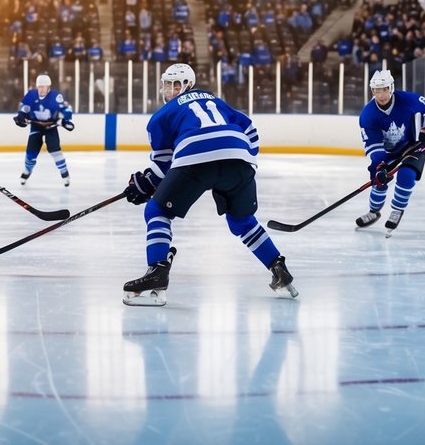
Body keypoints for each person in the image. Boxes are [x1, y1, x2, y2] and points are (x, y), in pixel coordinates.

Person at [121, 63, 297, 306]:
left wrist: (143, 183)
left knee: (156, 210)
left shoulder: (161, 115)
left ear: (187, 86)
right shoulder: (217, 101)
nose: (169, 90)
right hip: (238, 156)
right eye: (167, 84)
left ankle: (157, 271)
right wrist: (245, 159)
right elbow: (250, 130)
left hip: (196, 156)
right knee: (242, 221)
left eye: (174, 85)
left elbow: (162, 165)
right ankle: (278, 267)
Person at [354, 71, 425, 236]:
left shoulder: (408, 100)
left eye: (384, 89)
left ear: (391, 87)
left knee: (406, 175)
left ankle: (397, 210)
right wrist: (380, 166)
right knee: (378, 181)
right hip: (385, 153)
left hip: (411, 147)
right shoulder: (368, 114)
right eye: (376, 90)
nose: (380, 95)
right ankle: (374, 211)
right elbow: (374, 146)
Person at [13, 73, 74, 187]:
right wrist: (20, 117)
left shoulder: (56, 96)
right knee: (31, 152)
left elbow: (66, 109)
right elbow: (23, 109)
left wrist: (67, 120)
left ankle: (64, 172)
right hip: (36, 126)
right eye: (40, 86)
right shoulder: (31, 95)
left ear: (48, 87)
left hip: (51, 127)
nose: (41, 89)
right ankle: (27, 170)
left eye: (44, 86)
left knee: (55, 150)